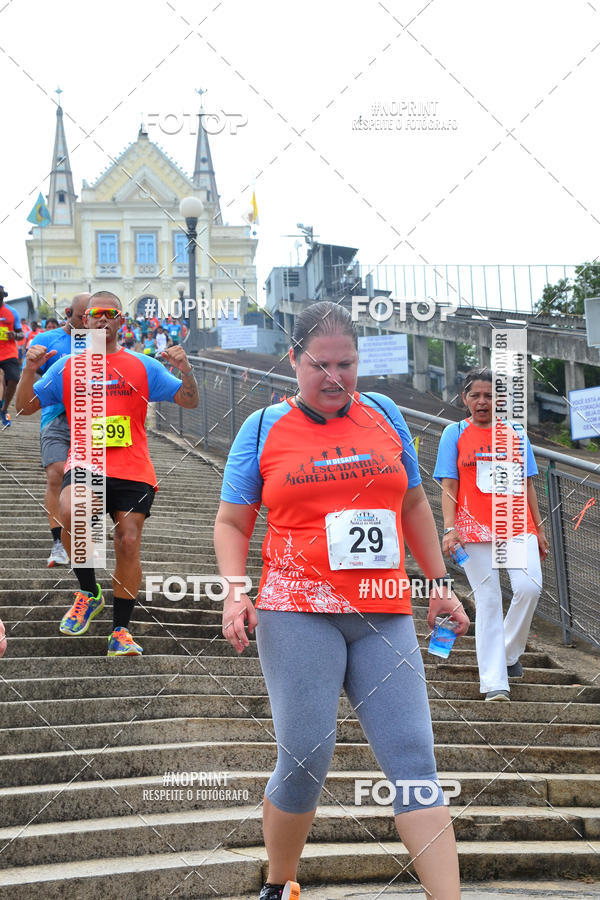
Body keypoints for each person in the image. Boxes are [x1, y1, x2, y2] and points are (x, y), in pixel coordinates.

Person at [214, 301, 469, 900]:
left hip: (383, 610)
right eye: (319, 365)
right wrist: (233, 593)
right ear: (294, 361)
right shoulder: (260, 429)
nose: (334, 378)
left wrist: (436, 586)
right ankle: (279, 883)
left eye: (346, 365)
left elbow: (411, 504)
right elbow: (231, 522)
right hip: (297, 610)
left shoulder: (384, 415)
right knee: (304, 759)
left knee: (414, 765)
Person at [16, 290, 199, 656]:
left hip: (133, 466)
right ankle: (89, 591)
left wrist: (187, 371)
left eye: (110, 313)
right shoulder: (67, 366)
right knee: (71, 510)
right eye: (95, 314)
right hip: (86, 461)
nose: (102, 319)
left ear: (121, 321)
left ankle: (120, 631)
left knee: (127, 540)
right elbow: (24, 408)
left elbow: (188, 400)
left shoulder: (142, 365)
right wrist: (27, 369)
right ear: (85, 321)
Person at [433, 367, 549, 701]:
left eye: (489, 395)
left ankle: (509, 653)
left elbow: (527, 483)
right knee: (488, 599)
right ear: (464, 398)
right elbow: (449, 485)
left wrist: (539, 529)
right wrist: (449, 528)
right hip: (473, 531)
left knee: (530, 587)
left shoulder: (516, 433)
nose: (482, 401)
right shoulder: (453, 433)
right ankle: (495, 682)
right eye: (475, 395)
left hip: (517, 528)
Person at [17, 294, 90, 566]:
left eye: (90, 316)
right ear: (69, 312)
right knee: (56, 474)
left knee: (86, 482)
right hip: (56, 416)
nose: (87, 321)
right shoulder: (46, 340)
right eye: (82, 315)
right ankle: (59, 541)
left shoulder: (103, 342)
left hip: (94, 419)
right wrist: (30, 368)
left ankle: (81, 540)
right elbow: (32, 385)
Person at [0, 286, 24, 427]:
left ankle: (4, 409)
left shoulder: (11, 312)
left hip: (9, 352)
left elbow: (21, 334)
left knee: (14, 378)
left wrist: (14, 335)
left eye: (1, 295)